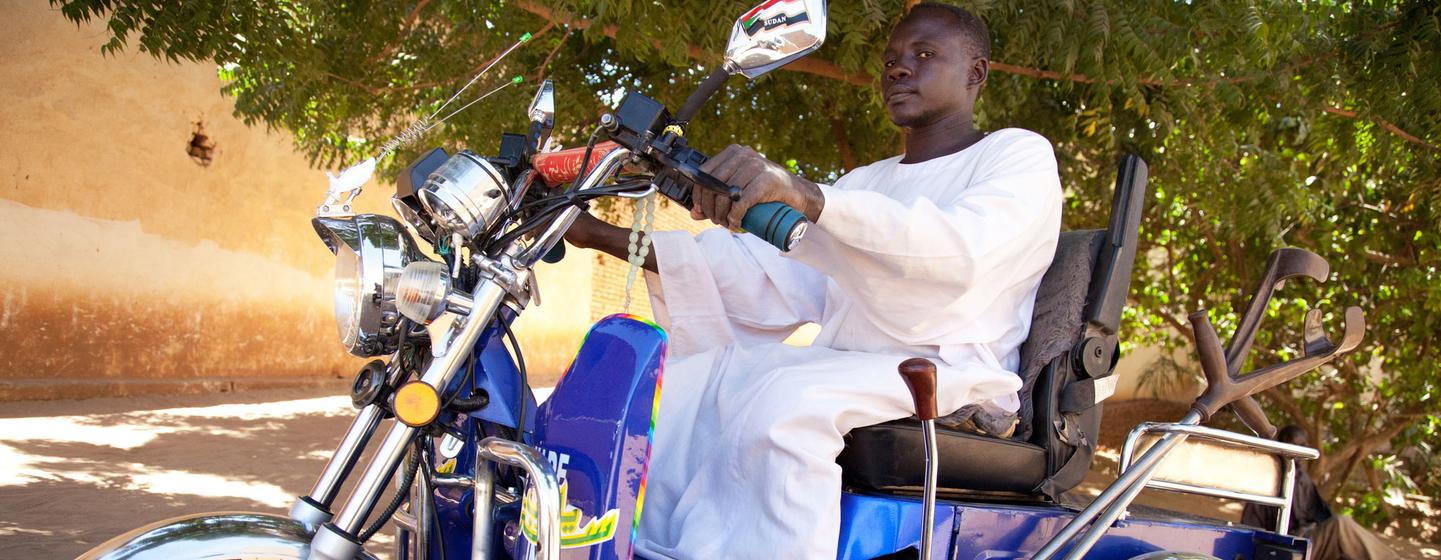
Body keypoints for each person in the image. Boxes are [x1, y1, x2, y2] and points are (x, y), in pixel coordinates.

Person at [566, 3, 1062, 557]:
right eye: (892, 60)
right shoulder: (866, 180)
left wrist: (807, 195)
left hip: (950, 375)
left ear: (976, 72)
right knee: (681, 382)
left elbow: (956, 255)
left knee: (785, 402)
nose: (898, 69)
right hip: (850, 367)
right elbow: (769, 275)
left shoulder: (1016, 154)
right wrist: (594, 234)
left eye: (923, 55)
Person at [1241, 426, 1400, 560]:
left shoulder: (1303, 481)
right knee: (1340, 525)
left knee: (1346, 545)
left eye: (1303, 447)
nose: (1299, 454)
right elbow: (1250, 534)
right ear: (1282, 448)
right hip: (1284, 548)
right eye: (1293, 446)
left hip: (1309, 542)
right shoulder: (1268, 481)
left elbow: (1323, 517)